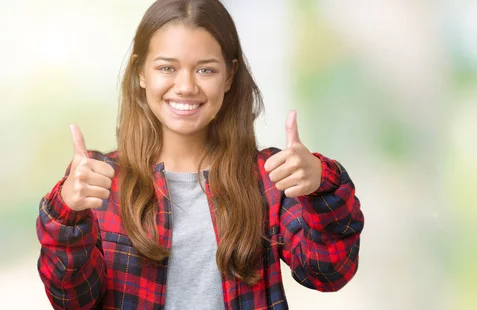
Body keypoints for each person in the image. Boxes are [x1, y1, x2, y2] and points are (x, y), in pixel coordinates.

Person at [36, 0, 364, 309]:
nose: (186, 87)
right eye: (167, 67)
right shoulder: (99, 181)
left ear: (229, 76)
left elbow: (328, 273)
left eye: (205, 70)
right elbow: (72, 300)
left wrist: (322, 184)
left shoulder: (269, 176)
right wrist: (67, 214)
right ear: (140, 73)